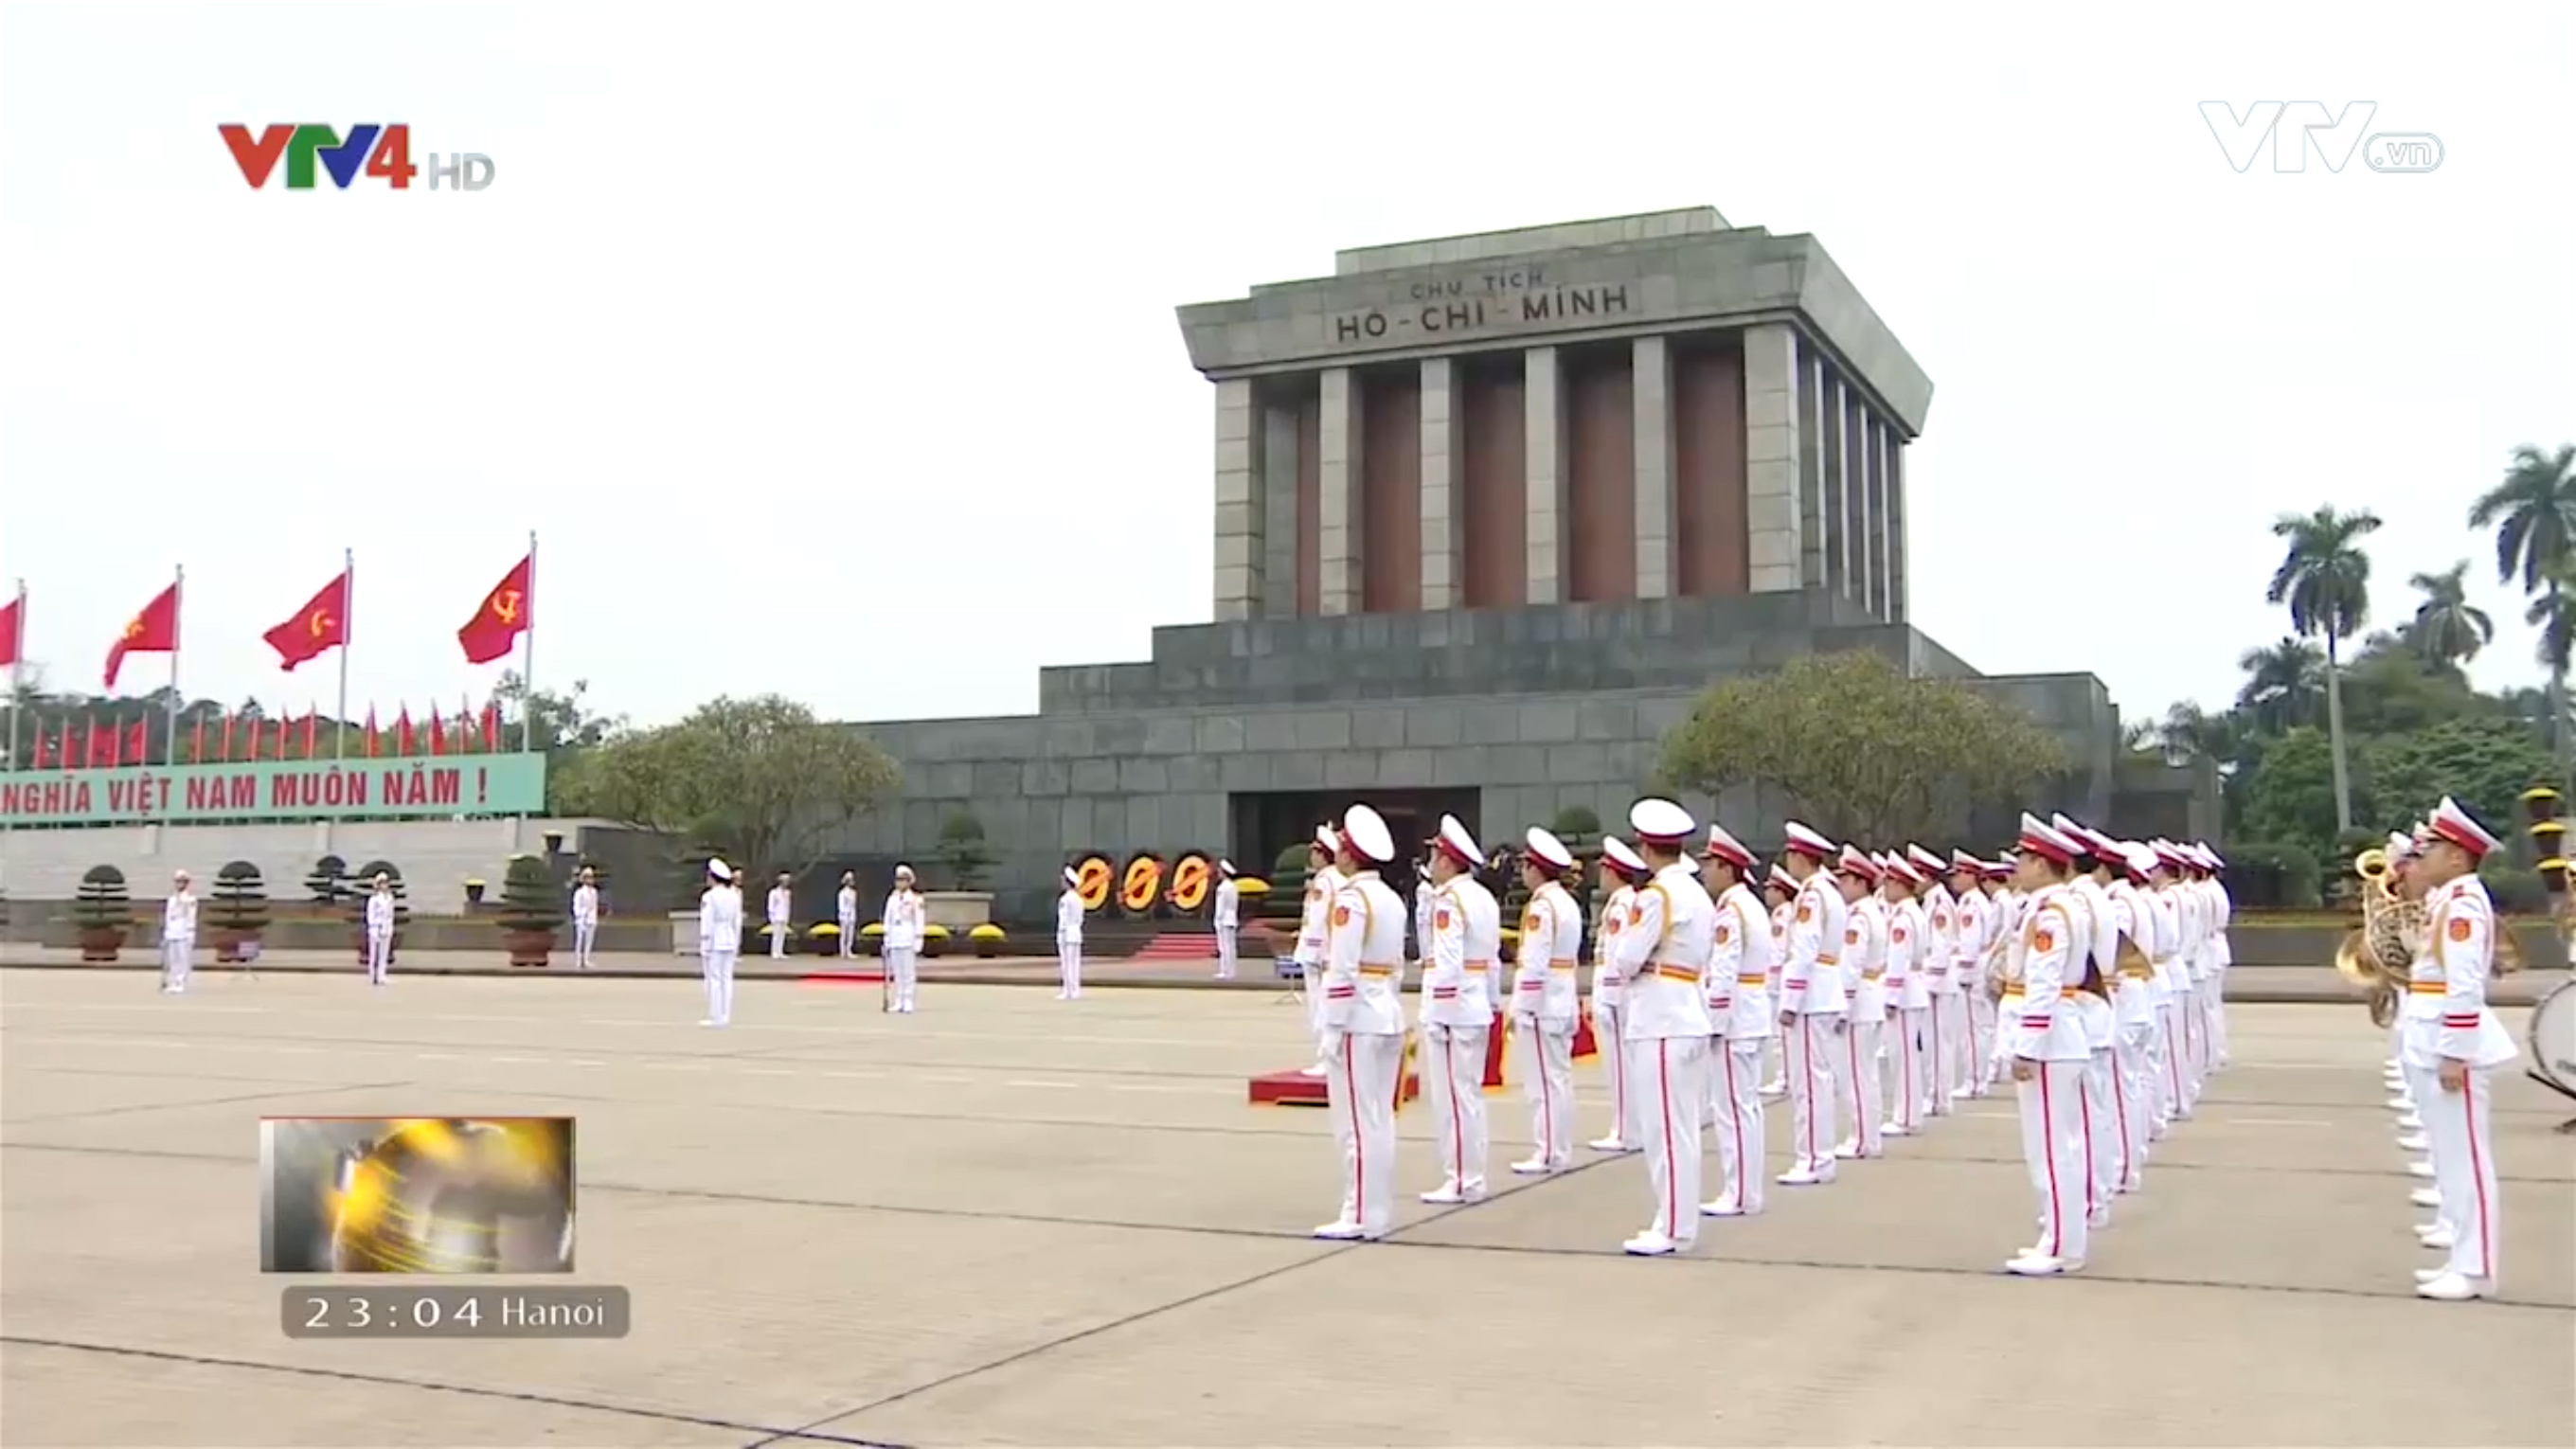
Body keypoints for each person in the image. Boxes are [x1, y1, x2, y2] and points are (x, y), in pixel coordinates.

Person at [2406, 796, 2516, 1301]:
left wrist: (2455, 1051)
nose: (2421, 856)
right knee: (2451, 1156)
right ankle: (2462, 1257)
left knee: (2467, 1157)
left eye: (2433, 848)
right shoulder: (2448, 901)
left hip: (2450, 1042)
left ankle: (2476, 1268)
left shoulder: (2464, 907)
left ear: (2457, 858)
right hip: (2430, 1034)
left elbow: (2466, 985)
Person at [1606, 798, 1714, 1256]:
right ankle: (1678, 1220)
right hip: (1686, 1009)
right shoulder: (1697, 893)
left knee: (1665, 1129)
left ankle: (1672, 1225)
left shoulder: (1657, 895)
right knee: (1681, 1126)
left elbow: (1626, 958)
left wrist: (1631, 958)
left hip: (1661, 1017)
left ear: (1647, 849)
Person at [2002, 814, 2091, 1277]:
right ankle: (2056, 1234)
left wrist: (2028, 1045)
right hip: (2058, 1035)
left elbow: (2044, 980)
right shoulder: (2056, 906)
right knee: (2056, 1146)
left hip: (2051, 1039)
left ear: (2042, 863)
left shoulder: (2051, 913)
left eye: (2023, 858)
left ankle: (2061, 1245)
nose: (2018, 865)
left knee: (2052, 1149)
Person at [1314, 804, 1407, 1241]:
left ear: (1349, 855)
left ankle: (1358, 1212)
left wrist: (1330, 1026)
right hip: (1387, 1011)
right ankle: (1377, 1210)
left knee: (1354, 1122)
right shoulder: (1389, 898)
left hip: (1357, 1019)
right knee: (1379, 1120)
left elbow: (1342, 968)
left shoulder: (1350, 899)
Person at [1418, 814, 1496, 1204]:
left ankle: (1461, 1178)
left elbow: (1447, 961)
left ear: (1447, 861)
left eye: (1435, 856)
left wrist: (1439, 1013)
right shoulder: (1482, 898)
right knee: (1468, 1095)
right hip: (1476, 1003)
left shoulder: (1449, 900)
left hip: (1453, 1009)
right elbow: (1493, 960)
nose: (1431, 864)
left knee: (1452, 1098)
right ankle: (1472, 1175)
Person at [1700, 824, 1772, 1218]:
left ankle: (1739, 1192)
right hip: (1752, 1010)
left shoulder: (1730, 911)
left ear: (1727, 867)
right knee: (1746, 1106)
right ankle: (1746, 1189)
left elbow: (1723, 971)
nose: (1706, 872)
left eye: (1711, 864)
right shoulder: (1751, 906)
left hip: (1735, 1018)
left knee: (1732, 1108)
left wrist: (1713, 1022)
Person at [1775, 822, 1850, 1187]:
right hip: (1823, 989)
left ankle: (1814, 1159)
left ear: (1801, 856)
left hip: (1811, 995)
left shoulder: (1811, 896)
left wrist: (1790, 1000)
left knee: (1808, 1083)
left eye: (1791, 855)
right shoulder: (1829, 892)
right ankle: (1818, 1157)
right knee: (1815, 1080)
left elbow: (1804, 950)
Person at [1512, 827, 1583, 1175]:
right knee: (1558, 1078)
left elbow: (1535, 963)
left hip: (1542, 1003)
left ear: (1535, 868)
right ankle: (1559, 1147)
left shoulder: (1541, 907)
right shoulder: (1566, 902)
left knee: (1543, 1082)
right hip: (1562, 995)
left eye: (1526, 865)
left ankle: (1548, 1150)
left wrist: (1521, 1005)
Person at [1586, 837, 1650, 1153]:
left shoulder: (1622, 906)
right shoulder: (1624, 903)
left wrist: (1610, 995)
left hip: (1615, 992)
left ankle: (1626, 1130)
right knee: (1619, 1064)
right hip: (1614, 989)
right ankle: (1625, 1126)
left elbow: (1618, 953)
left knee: (1620, 1065)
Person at [1832, 845, 1887, 1163]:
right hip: (1870, 995)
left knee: (1855, 1074)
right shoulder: (1870, 911)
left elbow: (1851, 964)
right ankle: (1869, 1136)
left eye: (1845, 879)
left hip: (1859, 1000)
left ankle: (1861, 1138)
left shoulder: (1859, 917)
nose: (1841, 886)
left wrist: (1843, 1005)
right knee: (1865, 1074)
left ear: (1858, 881)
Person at [1879, 853, 1933, 1138]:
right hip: (1912, 988)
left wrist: (1891, 996)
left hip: (1905, 990)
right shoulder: (1912, 912)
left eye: (1889, 881)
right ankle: (1907, 1112)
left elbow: (1898, 958)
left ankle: (1906, 1116)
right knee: (1903, 1056)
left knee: (1904, 1058)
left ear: (1901, 884)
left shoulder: (1903, 917)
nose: (1885, 886)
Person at [1294, 825, 1345, 1078]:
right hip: (1333, 952)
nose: (1311, 857)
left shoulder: (1324, 881)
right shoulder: (1338, 878)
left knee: (1321, 1008)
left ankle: (1326, 1059)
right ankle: (1331, 1057)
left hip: (1321, 954)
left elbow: (1317, 919)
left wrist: (1312, 954)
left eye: (1315, 852)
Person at [1938, 850, 1988, 1112]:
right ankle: (1975, 1077)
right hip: (1972, 966)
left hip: (1971, 969)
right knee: (1971, 1028)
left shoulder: (1971, 904)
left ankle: (1975, 1080)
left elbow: (1971, 942)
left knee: (1971, 1028)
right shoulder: (1971, 901)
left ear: (1971, 875)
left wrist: (1965, 974)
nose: (1954, 880)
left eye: (1958, 874)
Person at [1759, 863, 1796, 1097]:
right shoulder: (1784, 913)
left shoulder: (1783, 915)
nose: (1767, 894)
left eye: (1771, 889)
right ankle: (1786, 1076)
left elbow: (1778, 952)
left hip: (1780, 980)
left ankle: (1784, 1078)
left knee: (1780, 1036)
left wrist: (1771, 980)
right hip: (1781, 979)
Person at [698, 859, 742, 1027]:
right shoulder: (734, 895)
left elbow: (707, 921)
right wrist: (736, 942)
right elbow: (736, 921)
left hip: (715, 938)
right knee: (727, 979)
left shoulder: (709, 897)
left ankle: (715, 1016)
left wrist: (705, 942)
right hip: (729, 937)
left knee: (714, 979)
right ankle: (725, 1015)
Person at [882, 865, 925, 1013]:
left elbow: (919, 919)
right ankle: (899, 999)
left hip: (908, 935)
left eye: (903, 880)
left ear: (909, 882)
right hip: (895, 936)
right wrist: (886, 936)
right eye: (898, 880)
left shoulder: (915, 900)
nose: (900, 883)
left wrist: (919, 938)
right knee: (897, 971)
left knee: (908, 971)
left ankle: (908, 1000)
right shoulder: (892, 899)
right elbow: (887, 918)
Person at [1055, 866, 1086, 1000]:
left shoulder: (1065, 899)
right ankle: (1075, 990)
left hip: (1066, 932)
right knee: (1075, 963)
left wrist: (1061, 933)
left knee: (1066, 963)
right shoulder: (1079, 899)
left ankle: (1068, 990)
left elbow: (1063, 919)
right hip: (1076, 932)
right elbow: (1080, 918)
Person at [362, 872, 396, 987]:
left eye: (386, 883)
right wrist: (373, 928)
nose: (384, 886)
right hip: (376, 928)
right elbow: (370, 916)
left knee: (384, 954)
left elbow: (390, 914)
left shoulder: (390, 898)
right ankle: (373, 975)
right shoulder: (374, 899)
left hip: (386, 928)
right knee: (374, 954)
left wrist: (389, 927)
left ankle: (382, 975)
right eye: (382, 883)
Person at [1212, 859, 1242, 980]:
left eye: (1220, 871)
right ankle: (1231, 971)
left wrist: (1217, 919)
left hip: (1224, 919)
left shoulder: (1222, 888)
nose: (1218, 873)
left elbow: (1220, 906)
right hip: (1232, 918)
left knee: (1224, 947)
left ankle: (1225, 971)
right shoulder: (1233, 886)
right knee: (1231, 947)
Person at [764, 872, 795, 959]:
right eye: (785, 881)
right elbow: (771, 906)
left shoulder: (788, 893)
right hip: (776, 916)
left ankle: (780, 951)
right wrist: (771, 917)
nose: (787, 883)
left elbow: (788, 905)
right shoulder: (774, 892)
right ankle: (774, 952)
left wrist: (787, 916)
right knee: (776, 935)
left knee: (782, 935)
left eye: (788, 881)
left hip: (784, 916)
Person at [836, 871, 860, 959]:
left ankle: (849, 950)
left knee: (850, 934)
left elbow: (853, 905)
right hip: (844, 916)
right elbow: (841, 905)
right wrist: (845, 913)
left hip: (852, 915)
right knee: (844, 934)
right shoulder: (842, 893)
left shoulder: (854, 892)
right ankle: (842, 951)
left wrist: (852, 914)